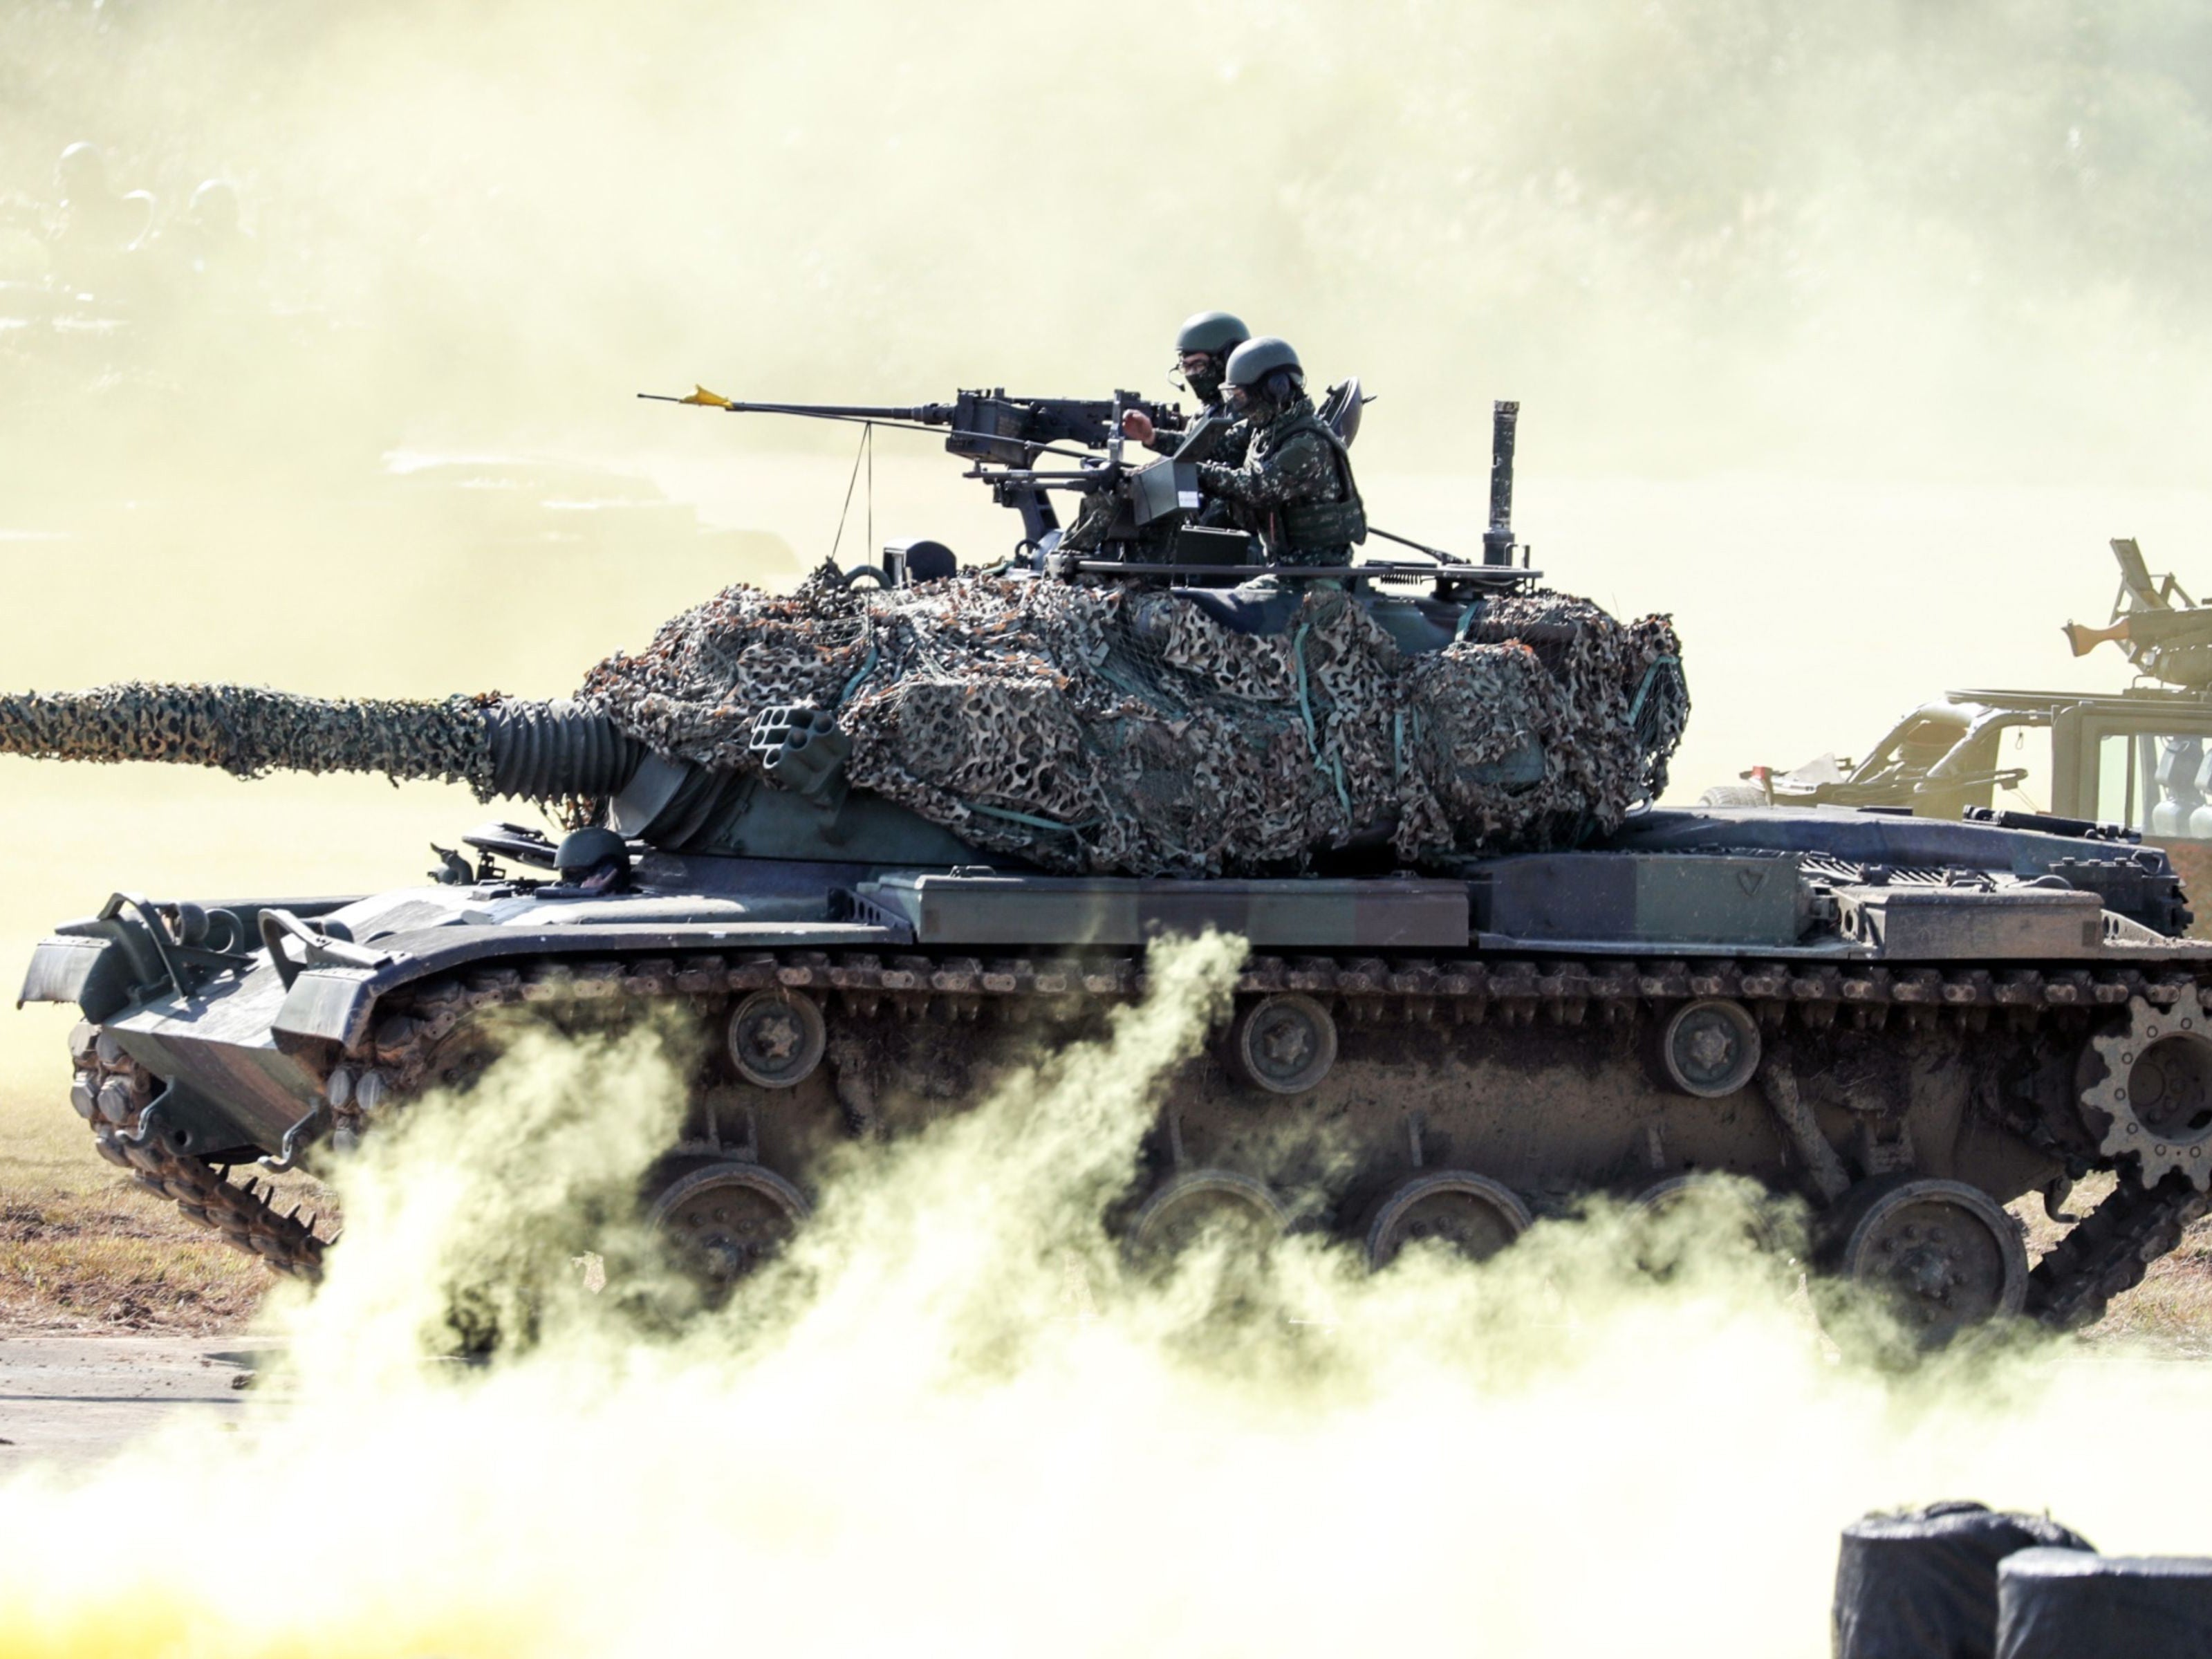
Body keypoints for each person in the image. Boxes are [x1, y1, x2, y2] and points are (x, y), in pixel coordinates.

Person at [1193, 337, 1366, 569]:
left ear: (1275, 390)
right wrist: (1153, 438)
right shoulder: (1269, 427)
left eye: (1241, 396)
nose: (1238, 406)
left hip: (1314, 576)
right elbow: (1213, 444)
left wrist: (1196, 472)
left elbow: (1258, 486)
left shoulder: (1307, 444)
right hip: (1285, 570)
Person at [1120, 309, 1252, 463]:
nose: (1192, 374)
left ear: (1227, 360)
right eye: (1186, 367)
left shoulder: (1248, 404)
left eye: (1198, 365)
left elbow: (1225, 449)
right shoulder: (1210, 406)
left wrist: (1153, 437)